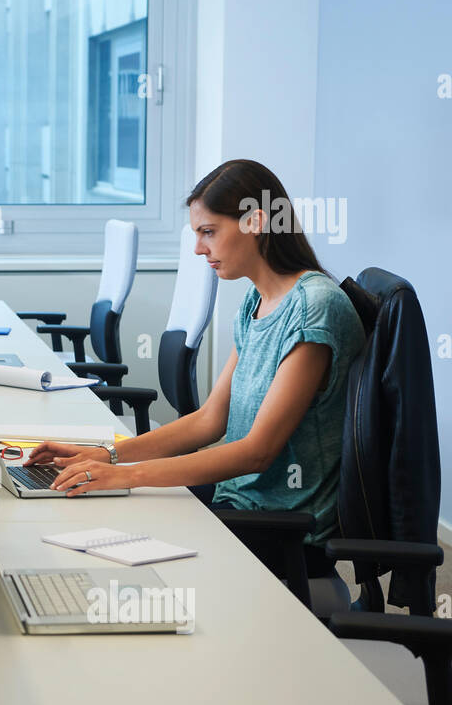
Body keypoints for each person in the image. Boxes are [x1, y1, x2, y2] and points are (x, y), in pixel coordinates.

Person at [25, 159, 365, 574]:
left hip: (279, 529)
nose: (199, 249)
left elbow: (257, 453)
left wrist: (127, 476)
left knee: (108, 533)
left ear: (256, 222)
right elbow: (209, 421)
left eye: (208, 232)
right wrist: (109, 454)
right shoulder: (255, 302)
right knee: (89, 514)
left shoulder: (314, 308)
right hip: (237, 502)